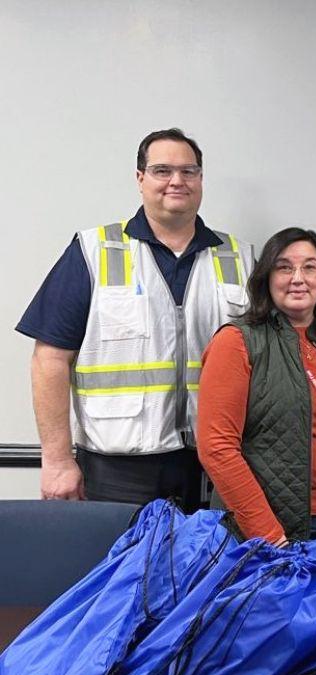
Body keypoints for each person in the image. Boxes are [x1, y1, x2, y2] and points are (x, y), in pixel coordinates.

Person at [16, 128, 254, 509]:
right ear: (140, 178)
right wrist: (57, 460)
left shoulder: (240, 258)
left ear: (201, 179)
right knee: (123, 569)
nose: (177, 181)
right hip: (117, 468)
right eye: (162, 170)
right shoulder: (94, 251)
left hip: (213, 463)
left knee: (207, 568)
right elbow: (50, 359)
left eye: (188, 171)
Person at [197, 228, 316, 544]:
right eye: (284, 267)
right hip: (268, 530)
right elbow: (217, 448)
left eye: (310, 266)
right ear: (266, 277)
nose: (298, 278)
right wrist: (269, 535)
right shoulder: (237, 342)